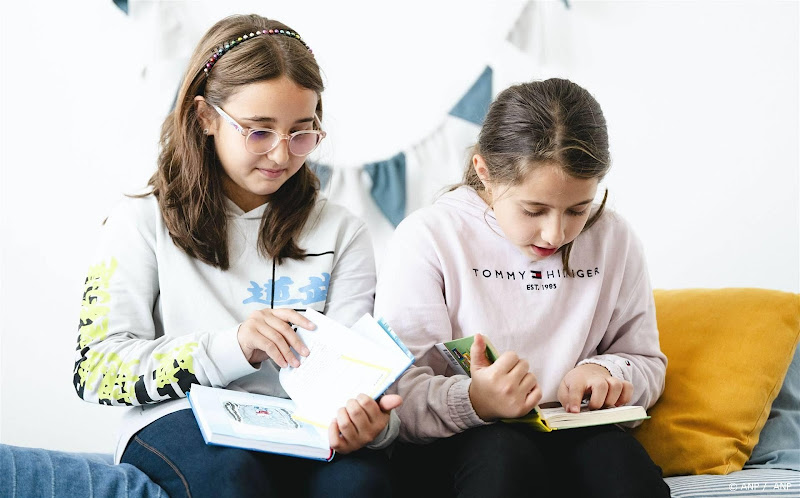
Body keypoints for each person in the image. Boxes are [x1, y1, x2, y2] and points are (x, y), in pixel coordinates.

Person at [74, 14, 401, 498]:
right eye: (259, 131)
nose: (281, 155)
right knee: (233, 477)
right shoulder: (139, 222)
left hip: (302, 428)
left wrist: (371, 424)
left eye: (301, 133)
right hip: (180, 418)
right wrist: (234, 347)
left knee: (363, 484)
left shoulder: (342, 231)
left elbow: (358, 379)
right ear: (205, 117)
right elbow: (97, 369)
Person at [375, 78, 670, 497]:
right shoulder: (429, 237)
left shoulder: (614, 239)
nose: (555, 234)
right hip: (464, 440)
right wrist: (476, 400)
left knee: (621, 469)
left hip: (574, 431)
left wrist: (608, 372)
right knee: (503, 459)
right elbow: (397, 392)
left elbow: (646, 363)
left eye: (577, 210)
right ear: (485, 174)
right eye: (534, 210)